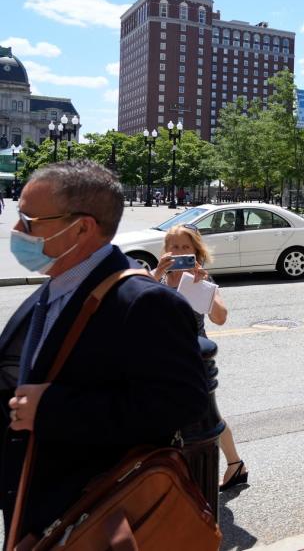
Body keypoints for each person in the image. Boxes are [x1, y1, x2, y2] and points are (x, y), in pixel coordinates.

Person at [0, 160, 207, 543]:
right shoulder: (57, 281)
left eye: (30, 221)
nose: (17, 231)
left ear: (81, 228)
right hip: (34, 508)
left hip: (90, 519)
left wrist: (54, 409)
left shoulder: (145, 303)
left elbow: (181, 404)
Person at [151, 224, 249, 492]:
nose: (178, 252)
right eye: (173, 246)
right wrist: (157, 273)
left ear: (196, 251)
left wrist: (203, 287)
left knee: (207, 415)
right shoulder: (154, 280)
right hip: (160, 359)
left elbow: (220, 318)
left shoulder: (203, 284)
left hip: (193, 359)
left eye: (184, 247)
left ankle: (233, 464)